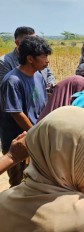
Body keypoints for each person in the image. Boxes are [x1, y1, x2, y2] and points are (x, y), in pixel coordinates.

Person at [0, 35, 51, 187]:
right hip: (18, 143)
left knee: (35, 182)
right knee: (19, 185)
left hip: (34, 136)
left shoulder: (38, 76)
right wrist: (37, 132)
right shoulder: (12, 81)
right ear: (30, 58)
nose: (47, 60)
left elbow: (42, 105)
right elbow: (17, 113)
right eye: (43, 56)